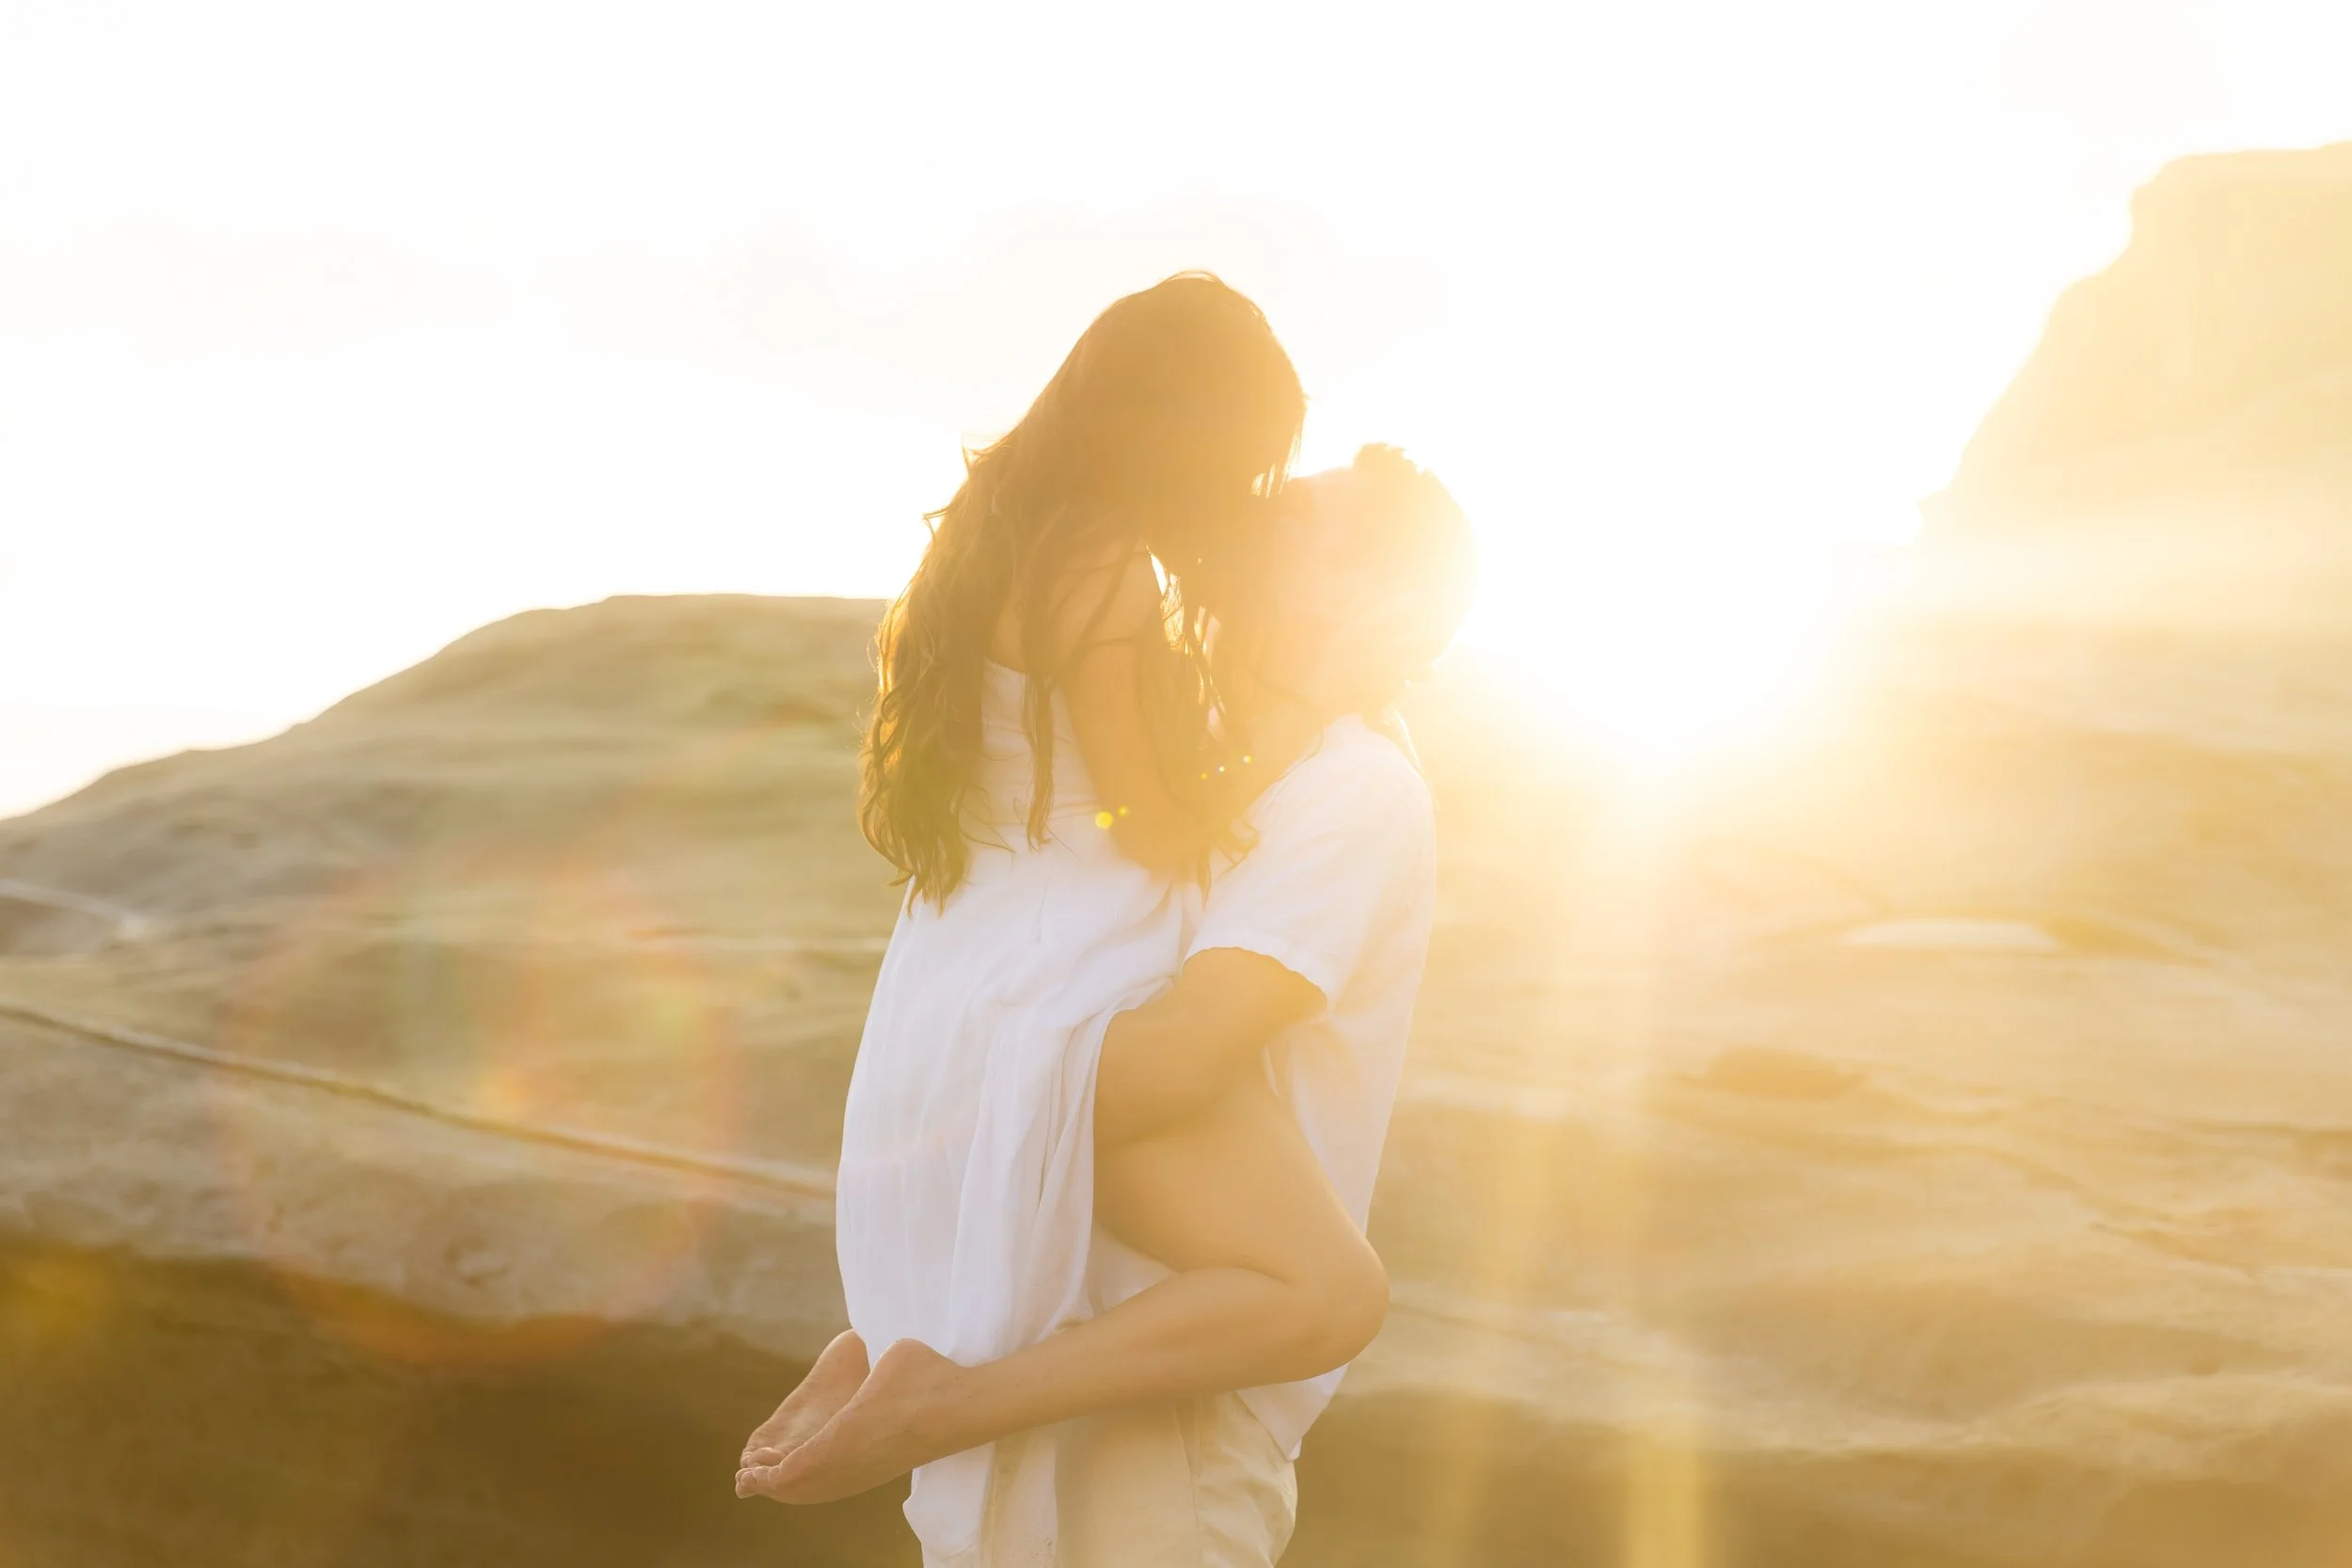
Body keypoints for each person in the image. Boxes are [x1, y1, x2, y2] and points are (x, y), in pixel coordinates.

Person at [739, 445, 1474, 1566]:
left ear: (1369, 599)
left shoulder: (1351, 786)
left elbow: (1153, 1076)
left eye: (1290, 516)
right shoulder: (1180, 754)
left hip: (1163, 1423)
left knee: (1322, 1285)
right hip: (1035, 1359)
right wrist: (913, 1301)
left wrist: (937, 1191)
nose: (1244, 511)